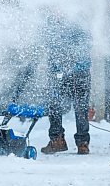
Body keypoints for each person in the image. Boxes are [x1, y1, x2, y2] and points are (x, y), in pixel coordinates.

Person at [40, 12, 92, 155]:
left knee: (79, 106)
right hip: (59, 72)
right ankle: (59, 140)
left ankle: (80, 142)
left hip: (78, 72)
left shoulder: (79, 22)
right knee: (54, 104)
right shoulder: (53, 23)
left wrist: (71, 60)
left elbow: (87, 44)